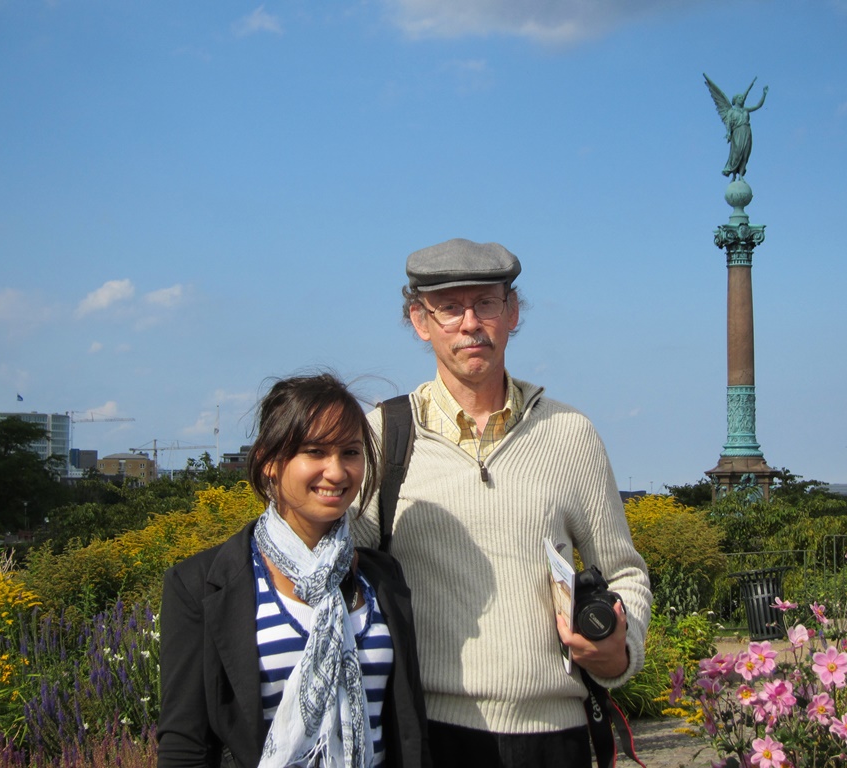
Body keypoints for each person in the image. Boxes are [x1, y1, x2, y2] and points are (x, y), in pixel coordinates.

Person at [352, 239, 652, 768]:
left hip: (553, 738)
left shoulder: (569, 434)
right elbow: (337, 568)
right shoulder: (383, 435)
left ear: (512, 313)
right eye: (448, 307)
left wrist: (619, 650)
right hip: (425, 736)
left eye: (486, 303)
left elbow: (625, 571)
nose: (470, 323)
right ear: (419, 321)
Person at [157, 373, 431, 768]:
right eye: (315, 451)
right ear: (269, 461)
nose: (336, 472)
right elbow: (184, 745)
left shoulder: (381, 578)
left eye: (350, 453)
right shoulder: (199, 585)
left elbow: (405, 727)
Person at [703, 73, 769, 180]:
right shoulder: (731, 111)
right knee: (736, 153)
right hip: (737, 133)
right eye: (739, 97)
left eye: (742, 97)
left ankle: (741, 175)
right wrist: (729, 133)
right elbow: (729, 124)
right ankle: (733, 175)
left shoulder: (745, 110)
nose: (741, 99)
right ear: (735, 100)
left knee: (745, 154)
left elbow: (758, 106)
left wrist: (764, 94)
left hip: (747, 132)